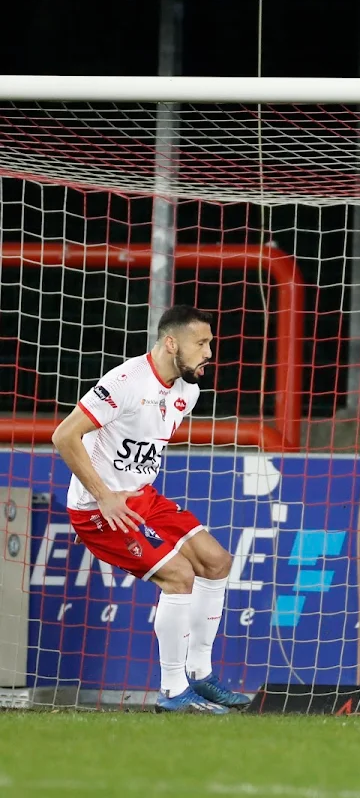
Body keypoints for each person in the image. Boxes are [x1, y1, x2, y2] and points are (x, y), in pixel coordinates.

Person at [50, 306, 247, 713]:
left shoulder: (187, 390)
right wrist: (104, 495)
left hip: (142, 496)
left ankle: (201, 673)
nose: (210, 352)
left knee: (217, 561)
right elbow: (64, 435)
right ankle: (173, 690)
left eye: (210, 342)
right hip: (97, 508)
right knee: (179, 576)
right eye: (202, 343)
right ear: (171, 343)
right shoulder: (124, 382)